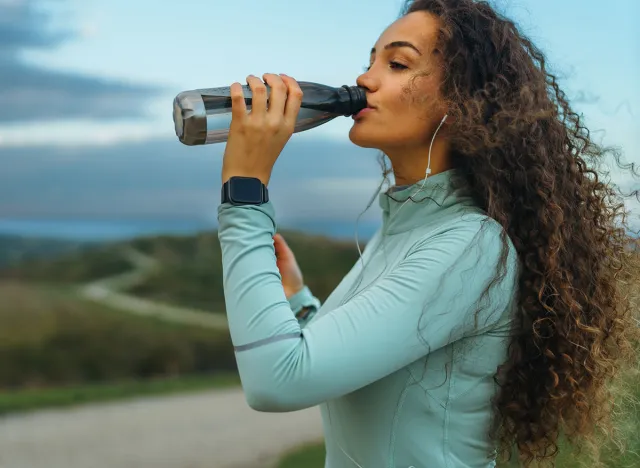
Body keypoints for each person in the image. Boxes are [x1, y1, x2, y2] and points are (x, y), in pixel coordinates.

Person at [216, 0, 639, 466]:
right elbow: (342, 359)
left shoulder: (469, 246)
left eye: (397, 63)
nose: (365, 79)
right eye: (371, 60)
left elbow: (278, 380)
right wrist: (298, 297)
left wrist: (245, 191)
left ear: (464, 104)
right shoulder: (408, 230)